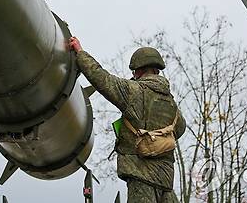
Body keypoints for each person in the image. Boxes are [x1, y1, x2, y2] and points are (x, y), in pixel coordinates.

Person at [68, 36, 185, 203]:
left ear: (138, 70)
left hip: (141, 177)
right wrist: (158, 140)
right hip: (166, 181)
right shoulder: (170, 102)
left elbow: (102, 78)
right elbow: (180, 128)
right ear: (157, 70)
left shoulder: (134, 92)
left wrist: (80, 53)